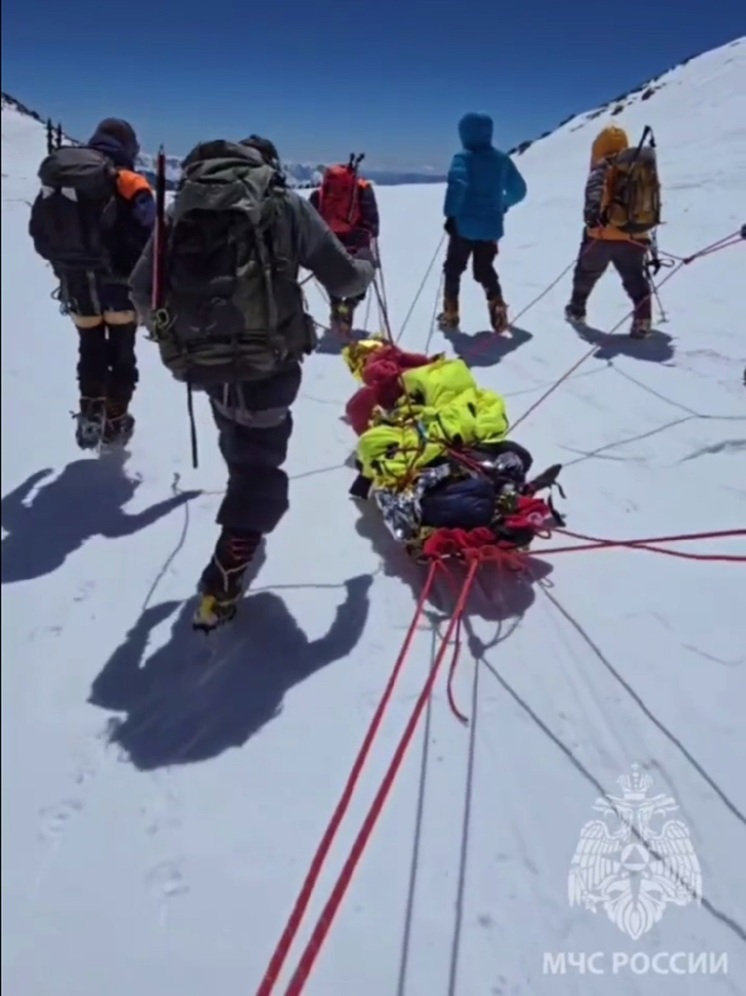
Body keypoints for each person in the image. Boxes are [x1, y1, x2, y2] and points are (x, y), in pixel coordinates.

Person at [129, 135, 376, 630]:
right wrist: (366, 262)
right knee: (260, 463)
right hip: (270, 360)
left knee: (239, 440)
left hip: (201, 359)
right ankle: (227, 570)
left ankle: (243, 505)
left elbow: (140, 289)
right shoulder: (282, 204)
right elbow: (345, 281)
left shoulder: (183, 207)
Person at [29, 118, 155, 448]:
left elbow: (39, 235)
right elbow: (151, 235)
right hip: (121, 287)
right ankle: (114, 420)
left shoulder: (61, 182)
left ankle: (90, 410)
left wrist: (65, 266)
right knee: (123, 356)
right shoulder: (128, 180)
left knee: (91, 349)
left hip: (78, 287)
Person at [565, 125, 660, 338]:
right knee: (636, 278)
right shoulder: (636, 164)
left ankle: (576, 309)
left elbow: (594, 194)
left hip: (602, 236)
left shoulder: (602, 166)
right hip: (636, 234)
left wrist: (592, 221)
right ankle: (643, 319)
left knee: (586, 274)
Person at [438, 112, 527, 334]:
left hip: (464, 227)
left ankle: (450, 314)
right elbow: (519, 190)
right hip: (491, 227)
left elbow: (458, 186)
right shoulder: (501, 159)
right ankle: (497, 304)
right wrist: (502, 205)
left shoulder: (463, 157)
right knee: (484, 269)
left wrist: (451, 213)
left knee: (453, 269)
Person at [309, 156, 380, 335]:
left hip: (329, 237)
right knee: (363, 271)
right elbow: (373, 222)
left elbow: (310, 219)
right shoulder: (363, 189)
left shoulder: (320, 193)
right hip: (357, 238)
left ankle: (335, 304)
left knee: (333, 271)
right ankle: (350, 304)